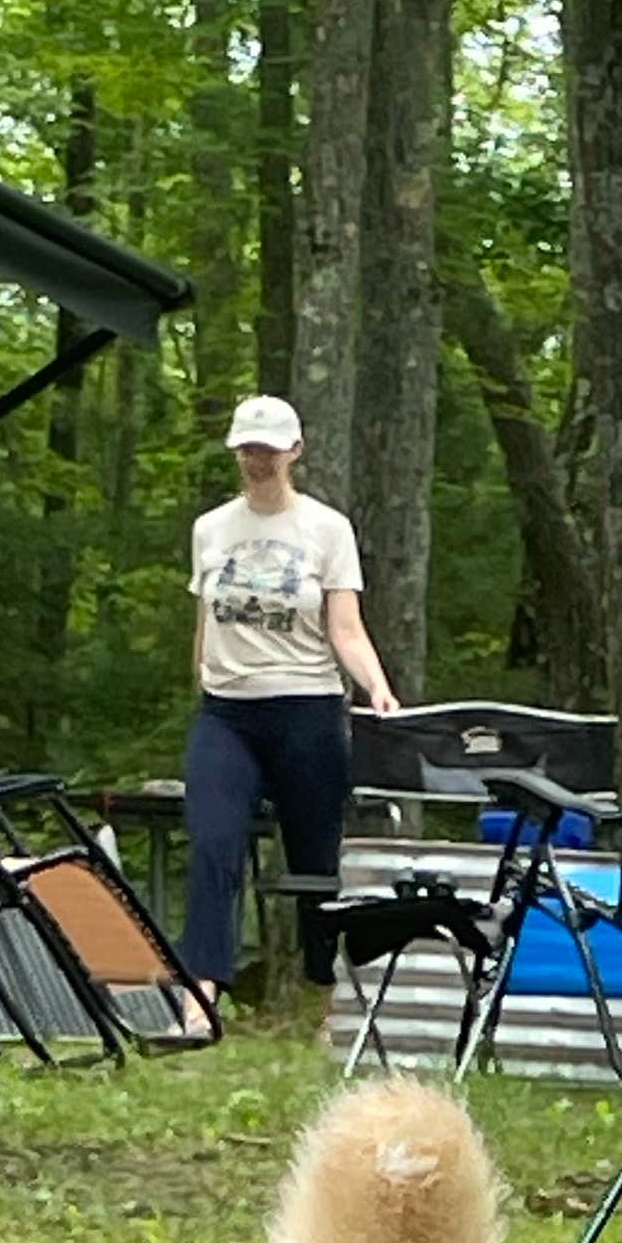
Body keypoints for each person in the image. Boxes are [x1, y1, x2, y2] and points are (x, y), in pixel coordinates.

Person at [183, 397, 398, 1021]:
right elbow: (205, 618)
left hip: (306, 705)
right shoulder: (211, 528)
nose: (257, 461)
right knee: (213, 840)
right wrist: (201, 675)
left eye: (269, 450)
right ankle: (201, 990)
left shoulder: (326, 529)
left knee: (314, 855)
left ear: (294, 452)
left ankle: (321, 984)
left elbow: (346, 627)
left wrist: (377, 688)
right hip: (227, 711)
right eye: (248, 449)